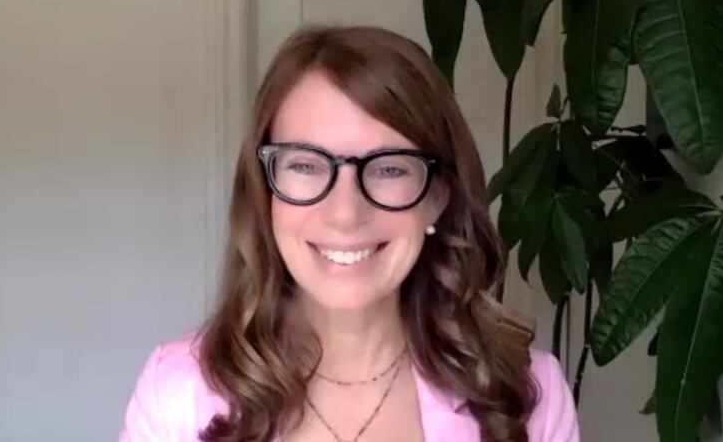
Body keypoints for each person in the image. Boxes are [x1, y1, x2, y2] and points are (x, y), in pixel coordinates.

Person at [118, 25, 580, 442]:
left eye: (389, 168)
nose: (344, 213)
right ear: (265, 191)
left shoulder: (528, 396)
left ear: (437, 195)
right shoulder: (177, 395)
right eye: (305, 164)